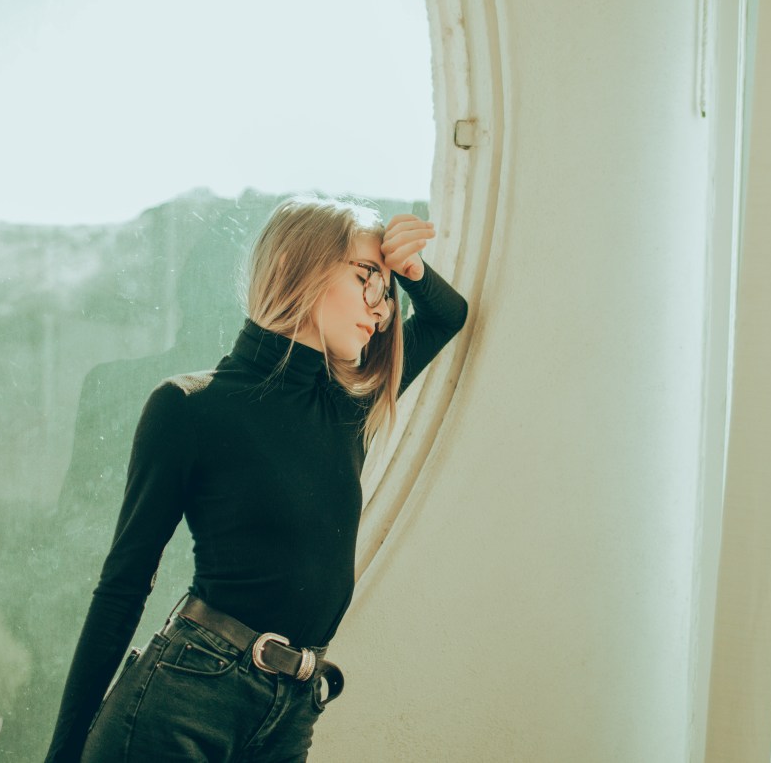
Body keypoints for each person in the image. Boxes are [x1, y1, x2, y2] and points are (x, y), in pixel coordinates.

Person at [44, 194, 469, 762]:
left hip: (294, 705)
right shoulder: (189, 406)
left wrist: (408, 269)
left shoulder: (346, 407)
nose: (382, 307)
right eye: (368, 277)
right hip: (185, 698)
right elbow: (123, 587)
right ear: (303, 266)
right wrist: (64, 751)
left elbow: (447, 315)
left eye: (388, 292)